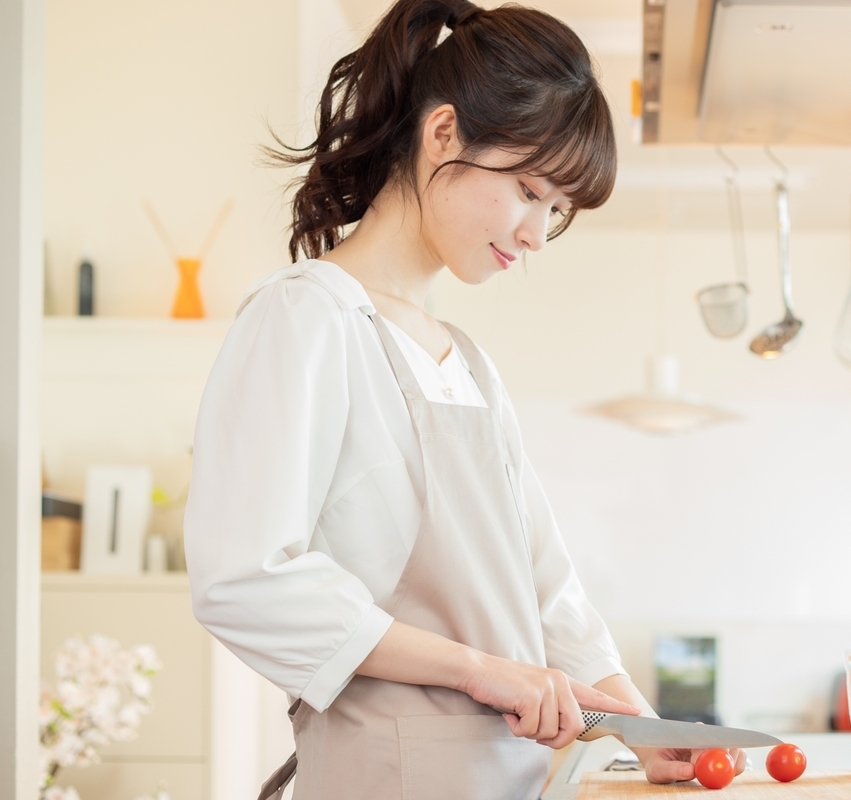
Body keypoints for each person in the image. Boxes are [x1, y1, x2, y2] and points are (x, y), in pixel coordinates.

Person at [184, 0, 747, 797]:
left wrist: (637, 726)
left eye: (556, 214)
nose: (533, 234)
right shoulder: (307, 316)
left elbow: (547, 588)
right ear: (442, 134)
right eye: (527, 190)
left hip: (504, 781)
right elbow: (245, 577)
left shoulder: (471, 366)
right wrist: (482, 673)